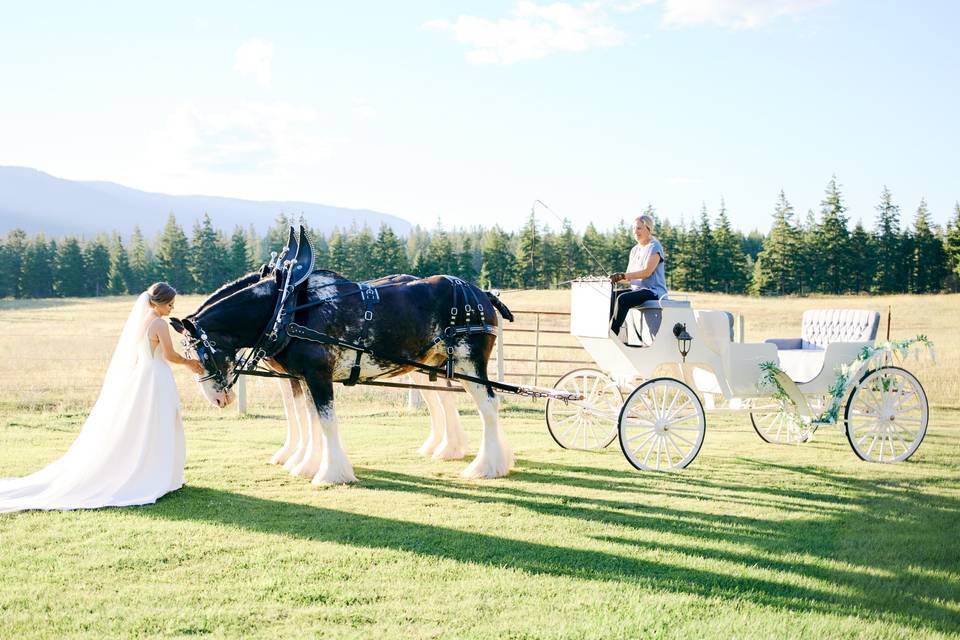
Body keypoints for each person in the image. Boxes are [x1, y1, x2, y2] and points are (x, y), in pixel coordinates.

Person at [0, 283, 205, 513]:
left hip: (144, 377)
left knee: (147, 425)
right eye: (169, 304)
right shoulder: (158, 323)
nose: (172, 308)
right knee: (160, 424)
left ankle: (155, 472)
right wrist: (190, 363)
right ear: (158, 302)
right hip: (156, 377)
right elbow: (169, 355)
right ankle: (157, 475)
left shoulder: (143, 321)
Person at [608, 215, 668, 337]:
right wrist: (615, 278)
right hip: (638, 290)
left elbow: (647, 272)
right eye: (634, 228)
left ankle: (614, 333)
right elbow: (629, 277)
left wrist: (622, 275)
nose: (635, 231)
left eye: (639, 228)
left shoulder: (654, 247)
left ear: (648, 228)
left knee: (623, 299)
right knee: (612, 295)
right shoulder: (634, 250)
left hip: (653, 291)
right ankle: (606, 328)